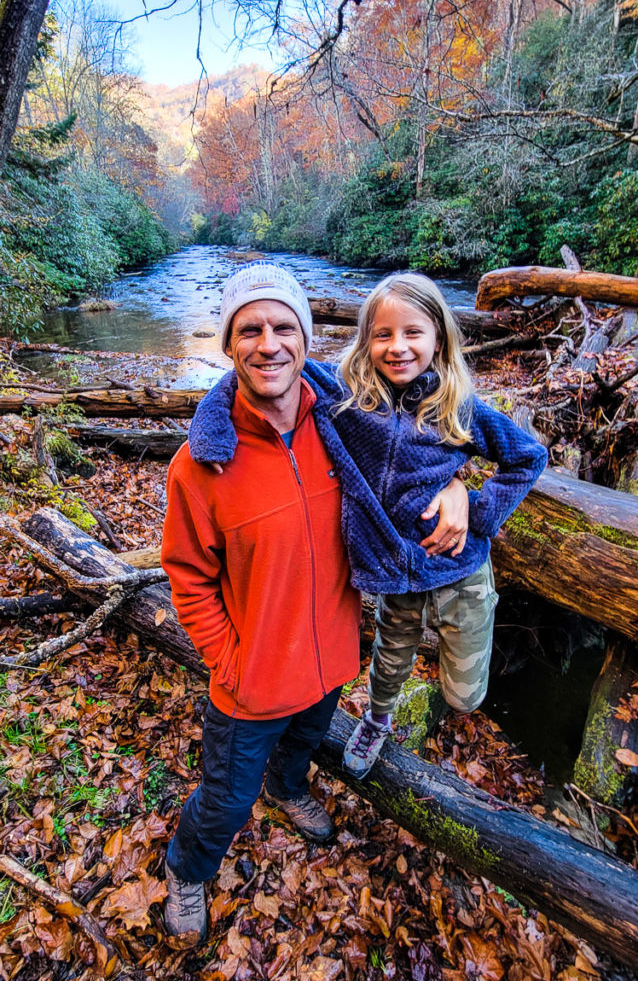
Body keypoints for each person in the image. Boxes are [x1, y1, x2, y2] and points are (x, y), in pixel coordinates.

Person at [160, 261, 469, 941]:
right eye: (250, 330)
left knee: (301, 745)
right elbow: (186, 573)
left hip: (331, 656)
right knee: (224, 800)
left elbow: (443, 425)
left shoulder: (348, 422)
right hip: (253, 679)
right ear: (229, 344)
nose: (267, 343)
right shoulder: (202, 463)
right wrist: (228, 659)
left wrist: (460, 486)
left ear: (305, 339)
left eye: (282, 327)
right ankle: (187, 868)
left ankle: (289, 785)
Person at [204, 269, 547, 784]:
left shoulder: (459, 407)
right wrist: (211, 439)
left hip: (458, 570)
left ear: (439, 337)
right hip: (389, 571)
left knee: (463, 697)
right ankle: (377, 719)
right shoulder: (346, 396)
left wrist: (474, 507)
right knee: (389, 660)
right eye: (383, 334)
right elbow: (248, 375)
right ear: (365, 341)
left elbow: (527, 457)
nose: (398, 347)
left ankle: (456, 685)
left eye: (413, 333)